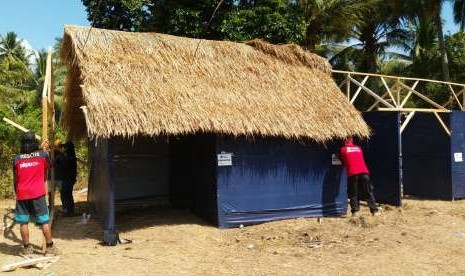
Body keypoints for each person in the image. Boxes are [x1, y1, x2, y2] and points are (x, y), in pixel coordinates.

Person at [13, 132, 60, 256]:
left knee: (23, 222)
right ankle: (50, 248)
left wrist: (17, 193)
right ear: (35, 142)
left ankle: (27, 248)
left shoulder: (17, 159)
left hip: (22, 194)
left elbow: (15, 180)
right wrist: (46, 151)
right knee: (44, 221)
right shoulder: (42, 155)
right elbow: (51, 164)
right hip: (38, 194)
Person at [339, 137, 379, 216]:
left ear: (344, 142)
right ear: (352, 141)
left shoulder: (343, 150)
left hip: (353, 173)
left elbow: (342, 161)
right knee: (368, 192)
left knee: (353, 193)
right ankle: (374, 211)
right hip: (364, 172)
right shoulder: (358, 148)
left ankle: (355, 212)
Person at [62, 141, 77, 215]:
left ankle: (69, 211)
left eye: (65, 147)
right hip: (69, 178)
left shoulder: (69, 157)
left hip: (68, 178)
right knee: (68, 194)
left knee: (67, 194)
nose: (64, 149)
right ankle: (69, 211)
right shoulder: (70, 156)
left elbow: (64, 165)